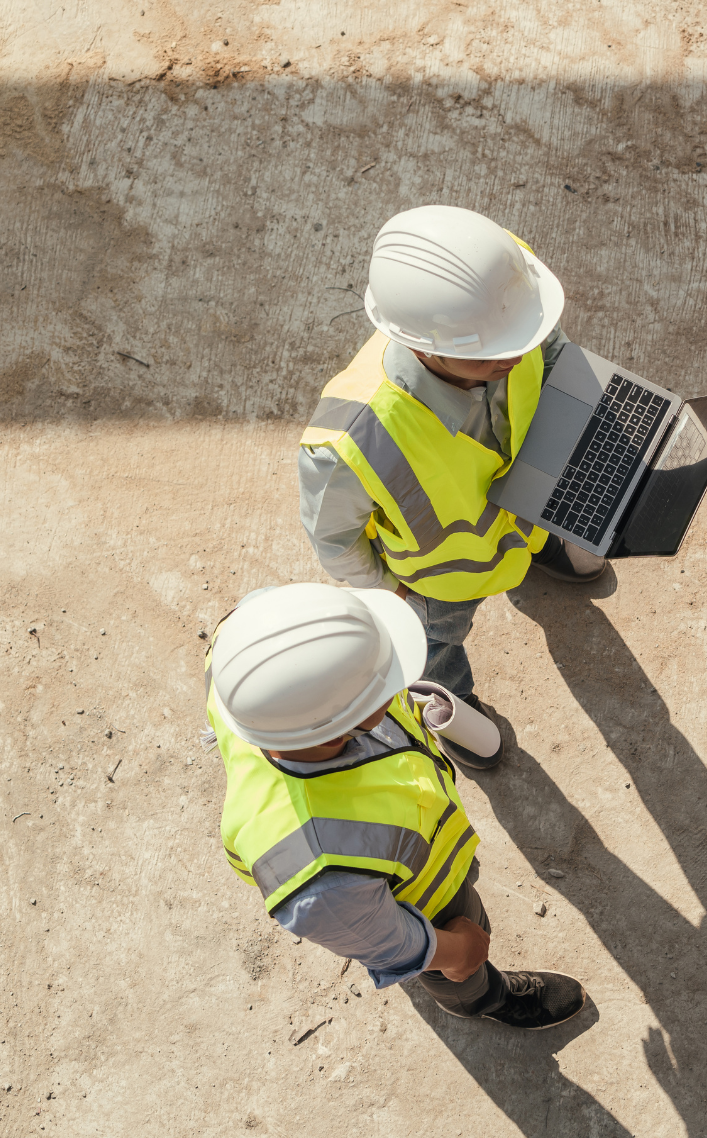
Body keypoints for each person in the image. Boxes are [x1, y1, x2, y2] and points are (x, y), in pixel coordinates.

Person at [298, 205, 604, 765]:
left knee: (536, 530)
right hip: (442, 581)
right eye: (490, 354)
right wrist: (391, 593)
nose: (516, 355)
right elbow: (334, 539)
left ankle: (540, 549)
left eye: (521, 338)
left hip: (526, 513)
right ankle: (450, 699)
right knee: (436, 643)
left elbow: (553, 351)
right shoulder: (350, 438)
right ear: (420, 345)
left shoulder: (504, 291)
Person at [204, 582, 587, 1028]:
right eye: (383, 680)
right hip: (421, 900)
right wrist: (454, 953)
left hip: (404, 856)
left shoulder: (246, 640)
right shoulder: (320, 876)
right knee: (460, 966)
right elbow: (382, 940)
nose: (396, 678)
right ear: (340, 726)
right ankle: (480, 999)